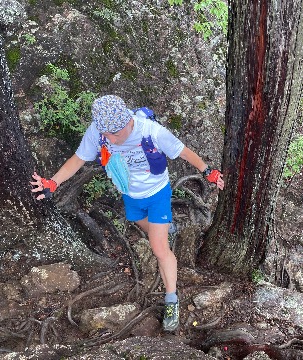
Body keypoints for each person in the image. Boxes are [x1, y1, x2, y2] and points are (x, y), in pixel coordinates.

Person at [30, 95, 224, 332]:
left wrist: (208, 171)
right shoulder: (99, 132)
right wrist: (53, 182)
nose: (110, 139)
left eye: (116, 134)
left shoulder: (150, 131)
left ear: (127, 122)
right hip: (130, 195)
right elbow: (79, 158)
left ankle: (172, 298)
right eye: (106, 134)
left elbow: (182, 151)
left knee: (159, 248)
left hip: (157, 194)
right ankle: (165, 230)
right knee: (138, 221)